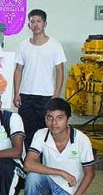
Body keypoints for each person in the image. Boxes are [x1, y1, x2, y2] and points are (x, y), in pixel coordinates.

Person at [11, 98, 95, 195]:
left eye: (59, 118)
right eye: (49, 118)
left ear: (68, 119)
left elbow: (90, 173)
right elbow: (28, 164)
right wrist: (61, 173)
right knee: (32, 177)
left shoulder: (81, 140)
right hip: (48, 182)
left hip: (70, 189)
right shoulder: (41, 134)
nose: (54, 123)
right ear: (45, 118)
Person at [13, 9, 67, 149]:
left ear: (45, 23)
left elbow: (60, 70)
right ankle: (29, 158)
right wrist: (16, 93)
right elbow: (18, 70)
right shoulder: (23, 45)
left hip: (47, 96)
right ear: (29, 25)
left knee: (47, 130)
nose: (35, 24)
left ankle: (46, 157)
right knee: (27, 130)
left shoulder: (55, 44)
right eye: (32, 22)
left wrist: (56, 94)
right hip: (26, 95)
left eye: (39, 21)